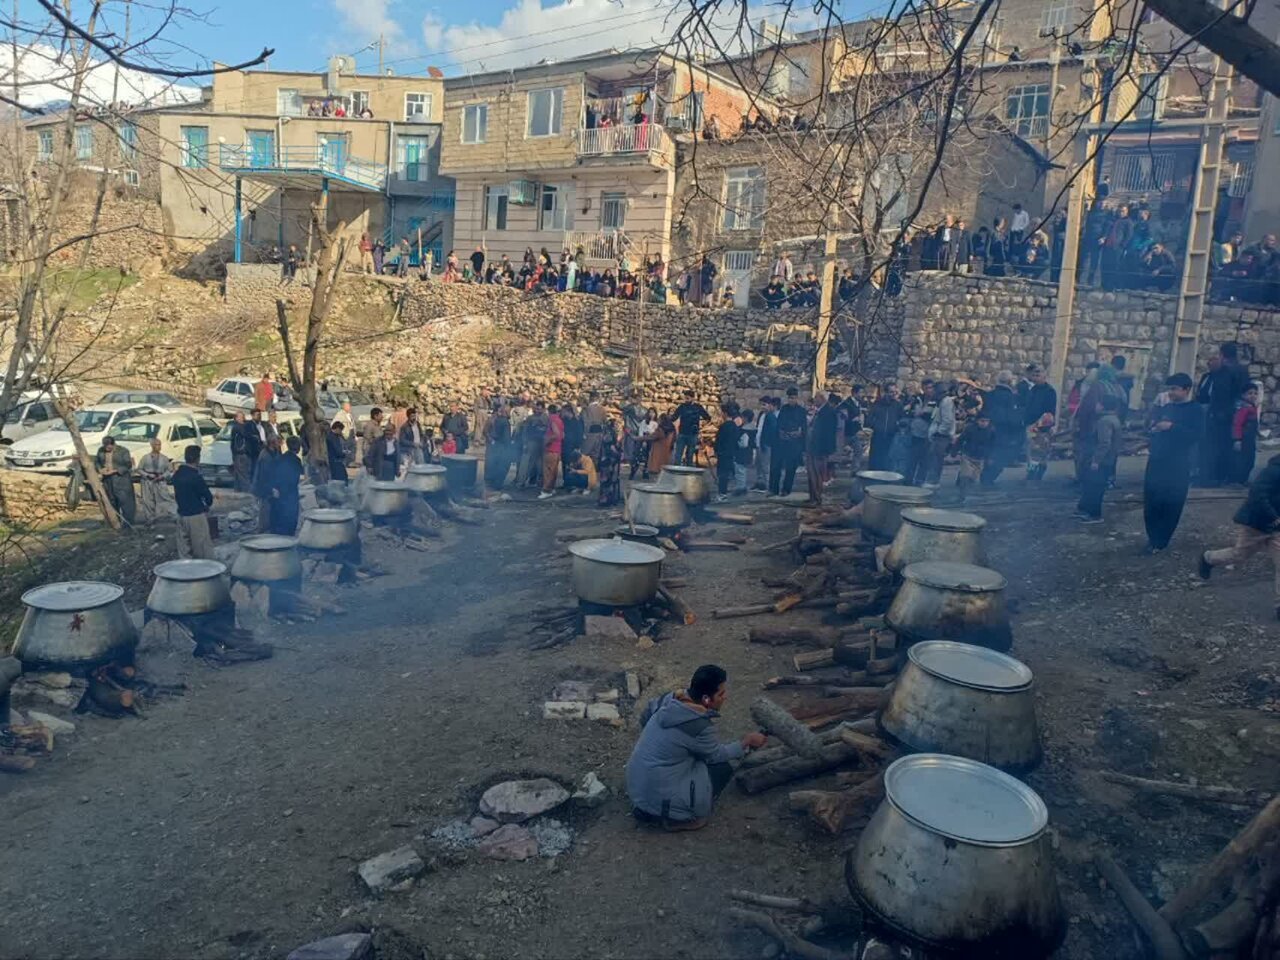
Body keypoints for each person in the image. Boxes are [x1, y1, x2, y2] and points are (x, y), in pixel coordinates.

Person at [624, 664, 767, 831]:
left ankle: (649, 806)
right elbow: (715, 756)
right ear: (706, 699)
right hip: (661, 798)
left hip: (636, 788)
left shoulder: (669, 699)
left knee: (689, 758)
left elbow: (645, 717)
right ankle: (679, 819)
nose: (725, 696)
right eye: (721, 693)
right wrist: (746, 742)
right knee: (722, 768)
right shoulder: (699, 725)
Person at [1198, 451, 1280, 618]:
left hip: (1276, 528)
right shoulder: (1273, 471)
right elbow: (1257, 495)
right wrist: (1274, 517)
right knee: (1239, 555)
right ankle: (1208, 558)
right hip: (1256, 524)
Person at [1144, 373, 1204, 553]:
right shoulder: (1167, 407)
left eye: (1175, 389)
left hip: (1178, 462)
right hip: (1157, 460)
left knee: (1171, 502)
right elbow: (1154, 426)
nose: (1171, 392)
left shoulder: (1195, 409)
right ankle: (1152, 538)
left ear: (1186, 390)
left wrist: (1172, 427)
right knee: (1152, 499)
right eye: (1169, 389)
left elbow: (1196, 435)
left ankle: (1161, 541)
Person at [1076, 395, 1123, 523]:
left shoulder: (1105, 421)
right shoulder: (1114, 418)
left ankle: (1094, 515)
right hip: (1109, 459)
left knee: (1095, 487)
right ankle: (1086, 510)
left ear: (1102, 405)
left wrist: (1096, 460)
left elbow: (1104, 443)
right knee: (1095, 486)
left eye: (1098, 404)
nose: (1096, 406)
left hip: (1102, 460)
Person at [170, 444, 215, 559]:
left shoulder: (178, 474)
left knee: (184, 551)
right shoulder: (195, 477)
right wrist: (207, 505)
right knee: (202, 551)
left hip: (181, 515)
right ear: (198, 459)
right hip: (196, 517)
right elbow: (208, 498)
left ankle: (186, 575)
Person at [1022, 365, 1058, 483]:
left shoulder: (1050, 391)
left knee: (1040, 452)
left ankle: (1039, 473)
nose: (1036, 378)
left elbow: (1050, 411)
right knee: (1031, 453)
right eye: (1034, 375)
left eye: (1038, 375)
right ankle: (1031, 473)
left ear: (1044, 376)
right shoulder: (1032, 390)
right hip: (1030, 424)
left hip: (1043, 426)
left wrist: (1044, 424)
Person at [770, 387, 807, 497]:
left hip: (794, 443)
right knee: (777, 466)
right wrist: (782, 433)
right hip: (782, 442)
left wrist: (797, 434)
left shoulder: (801, 411)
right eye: (790, 398)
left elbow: (803, 427)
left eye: (793, 398)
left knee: (790, 468)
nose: (792, 400)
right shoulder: (784, 409)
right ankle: (774, 489)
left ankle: (786, 489)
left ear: (797, 398)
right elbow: (779, 424)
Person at [95, 435, 136, 525]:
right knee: (112, 501)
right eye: (105, 446)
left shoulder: (123, 451)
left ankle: (128, 524)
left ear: (113, 444)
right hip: (108, 480)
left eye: (108, 446)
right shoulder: (101, 451)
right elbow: (97, 462)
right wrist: (100, 469)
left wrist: (115, 470)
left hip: (121, 480)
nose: (106, 448)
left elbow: (128, 465)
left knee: (126, 503)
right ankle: (116, 523)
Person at [807, 392, 839, 504]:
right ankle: (812, 497)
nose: (814, 399)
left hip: (820, 448)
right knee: (811, 473)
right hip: (812, 447)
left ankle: (818, 498)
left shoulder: (829, 412)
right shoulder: (819, 411)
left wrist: (826, 449)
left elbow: (829, 433)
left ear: (822, 399)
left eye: (816, 397)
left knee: (818, 474)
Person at [269, 436, 304, 535]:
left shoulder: (280, 458)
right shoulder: (296, 460)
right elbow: (300, 475)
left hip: (279, 491)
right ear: (297, 447)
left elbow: (273, 475)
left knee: (279, 516)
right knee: (290, 518)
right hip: (290, 492)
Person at [956, 413, 994, 503]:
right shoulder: (970, 429)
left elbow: (992, 445)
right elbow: (961, 439)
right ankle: (962, 495)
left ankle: (963, 487)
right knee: (966, 475)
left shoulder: (991, 431)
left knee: (973, 478)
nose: (984, 423)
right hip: (968, 455)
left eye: (986, 421)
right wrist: (955, 451)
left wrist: (990, 457)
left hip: (980, 458)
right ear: (977, 421)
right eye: (982, 421)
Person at [925, 382, 957, 487]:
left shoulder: (946, 401)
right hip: (938, 434)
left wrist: (939, 431)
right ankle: (932, 480)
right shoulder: (941, 401)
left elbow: (947, 420)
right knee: (933, 458)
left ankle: (933, 481)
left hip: (941, 436)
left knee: (936, 459)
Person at [866, 382, 903, 471]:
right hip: (878, 435)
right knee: (876, 457)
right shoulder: (877, 404)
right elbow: (870, 418)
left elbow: (901, 418)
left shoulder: (897, 405)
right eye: (891, 392)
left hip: (891, 435)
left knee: (888, 458)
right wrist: (875, 426)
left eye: (894, 392)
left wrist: (897, 427)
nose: (893, 394)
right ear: (885, 393)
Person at [1231, 382, 1260, 485]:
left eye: (1255, 393)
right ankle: (1238, 481)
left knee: (1250, 461)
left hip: (1250, 439)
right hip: (1243, 439)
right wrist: (1237, 440)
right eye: (1250, 393)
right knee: (1242, 461)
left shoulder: (1252, 407)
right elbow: (1237, 424)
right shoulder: (1243, 408)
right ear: (1243, 395)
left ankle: (1243, 480)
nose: (1253, 395)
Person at [137, 437, 172, 525]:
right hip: (148, 481)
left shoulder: (164, 458)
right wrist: (147, 475)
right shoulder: (145, 458)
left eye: (159, 445)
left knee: (163, 499)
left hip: (160, 481)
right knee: (147, 500)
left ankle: (161, 517)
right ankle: (149, 518)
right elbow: (139, 469)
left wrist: (162, 476)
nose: (158, 447)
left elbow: (169, 470)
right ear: (152, 446)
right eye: (156, 445)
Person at [252, 435, 282, 532]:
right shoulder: (265, 456)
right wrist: (271, 489)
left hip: (274, 484)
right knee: (265, 509)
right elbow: (263, 476)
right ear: (273, 443)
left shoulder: (276, 452)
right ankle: (262, 530)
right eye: (278, 442)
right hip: (265, 486)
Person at [673, 390, 710, 466]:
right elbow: (674, 417)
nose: (686, 400)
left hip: (693, 434)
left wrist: (702, 427)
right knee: (678, 455)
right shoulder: (682, 406)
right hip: (682, 433)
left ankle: (688, 473)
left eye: (688, 398)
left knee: (690, 456)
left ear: (693, 398)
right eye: (685, 398)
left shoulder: (698, 407)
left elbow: (707, 417)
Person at [483, 404, 515, 491]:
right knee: (502, 466)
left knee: (494, 464)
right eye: (508, 412)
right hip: (501, 446)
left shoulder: (497, 420)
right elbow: (506, 437)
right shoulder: (504, 422)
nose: (510, 413)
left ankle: (491, 483)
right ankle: (496, 485)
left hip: (496, 445)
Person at [714, 410, 743, 502]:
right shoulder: (735, 426)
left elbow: (719, 440)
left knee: (722, 474)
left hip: (723, 453)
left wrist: (716, 450)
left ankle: (722, 494)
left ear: (725, 413)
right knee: (726, 474)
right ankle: (723, 493)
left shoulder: (724, 426)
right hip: (731, 453)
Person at [538, 404, 565, 500]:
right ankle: (551, 488)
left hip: (550, 448)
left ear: (549, 412)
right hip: (557, 449)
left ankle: (546, 490)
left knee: (547, 471)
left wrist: (546, 441)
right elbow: (562, 435)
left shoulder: (552, 420)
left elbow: (556, 434)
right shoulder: (560, 420)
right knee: (553, 471)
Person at [521, 401, 549, 488]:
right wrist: (525, 442)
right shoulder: (530, 418)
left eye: (540, 409)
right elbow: (525, 430)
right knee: (531, 462)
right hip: (532, 441)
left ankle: (540, 481)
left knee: (541, 463)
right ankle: (528, 480)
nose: (537, 411)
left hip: (543, 442)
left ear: (543, 409)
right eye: (536, 409)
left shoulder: (546, 418)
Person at [596, 421, 623, 506]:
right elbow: (612, 448)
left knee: (607, 481)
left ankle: (606, 498)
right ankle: (607, 499)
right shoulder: (609, 435)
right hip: (608, 461)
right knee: (608, 481)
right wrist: (618, 454)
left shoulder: (608, 434)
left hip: (608, 461)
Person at [755, 396, 778, 491]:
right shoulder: (761, 414)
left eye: (764, 405)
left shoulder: (771, 416)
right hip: (758, 442)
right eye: (761, 405)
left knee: (765, 466)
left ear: (769, 405)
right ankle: (760, 484)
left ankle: (768, 485)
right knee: (758, 465)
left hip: (766, 444)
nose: (762, 407)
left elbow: (772, 432)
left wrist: (766, 443)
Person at [648, 412, 676, 477]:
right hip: (667, 452)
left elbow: (651, 437)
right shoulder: (672, 430)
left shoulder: (660, 430)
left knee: (657, 474)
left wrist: (636, 438)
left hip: (658, 455)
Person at [581, 392, 606, 462]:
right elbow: (604, 421)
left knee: (585, 454)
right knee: (595, 455)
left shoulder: (586, 409)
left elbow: (585, 422)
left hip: (589, 433)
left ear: (591, 398)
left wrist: (584, 434)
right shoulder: (602, 409)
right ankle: (594, 471)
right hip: (599, 434)